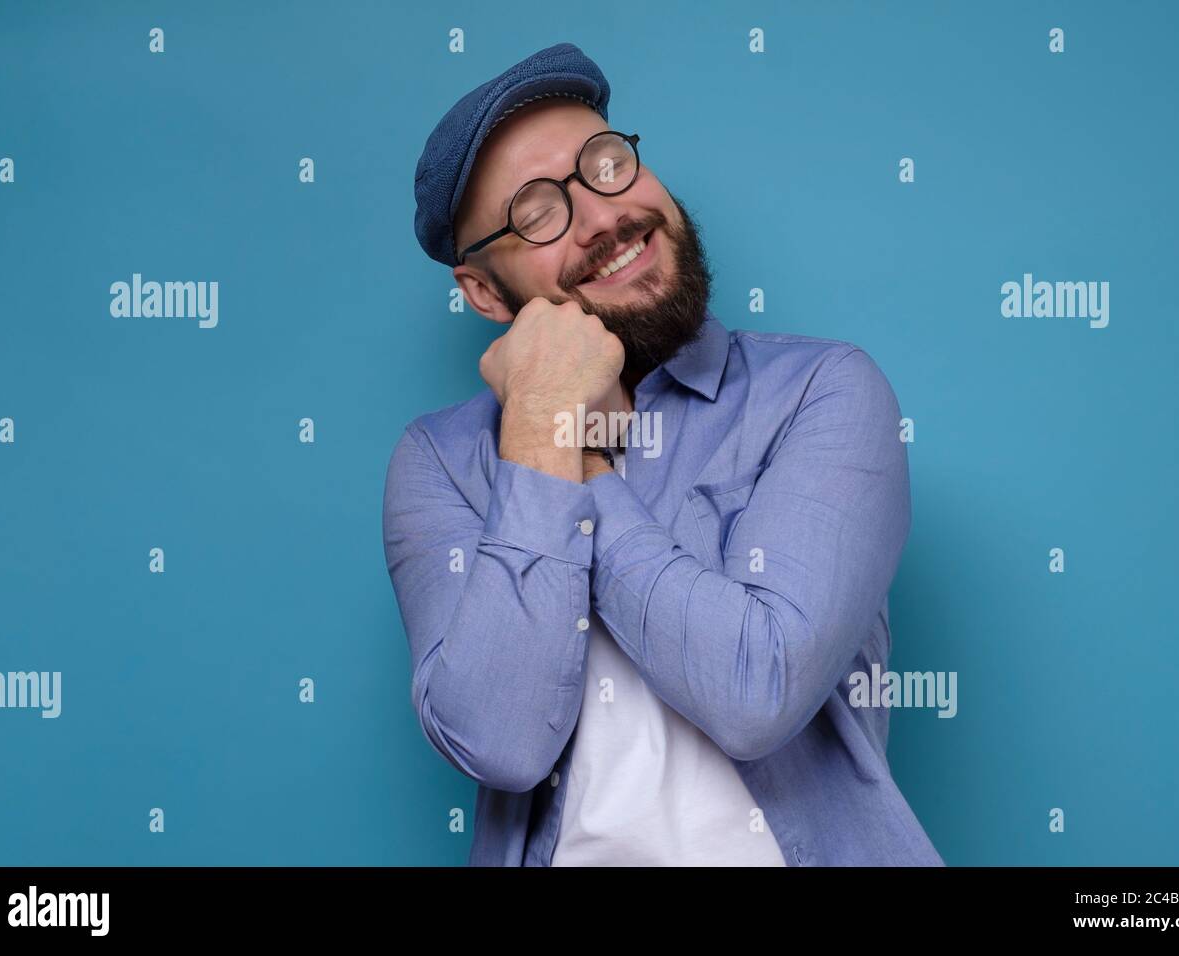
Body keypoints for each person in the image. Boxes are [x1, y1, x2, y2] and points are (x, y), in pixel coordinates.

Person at [383, 41, 943, 866]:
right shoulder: (438, 460)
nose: (604, 215)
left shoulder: (821, 390)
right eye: (539, 212)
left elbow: (758, 692)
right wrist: (540, 425)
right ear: (485, 293)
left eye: (605, 163)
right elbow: (501, 743)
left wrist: (588, 465)